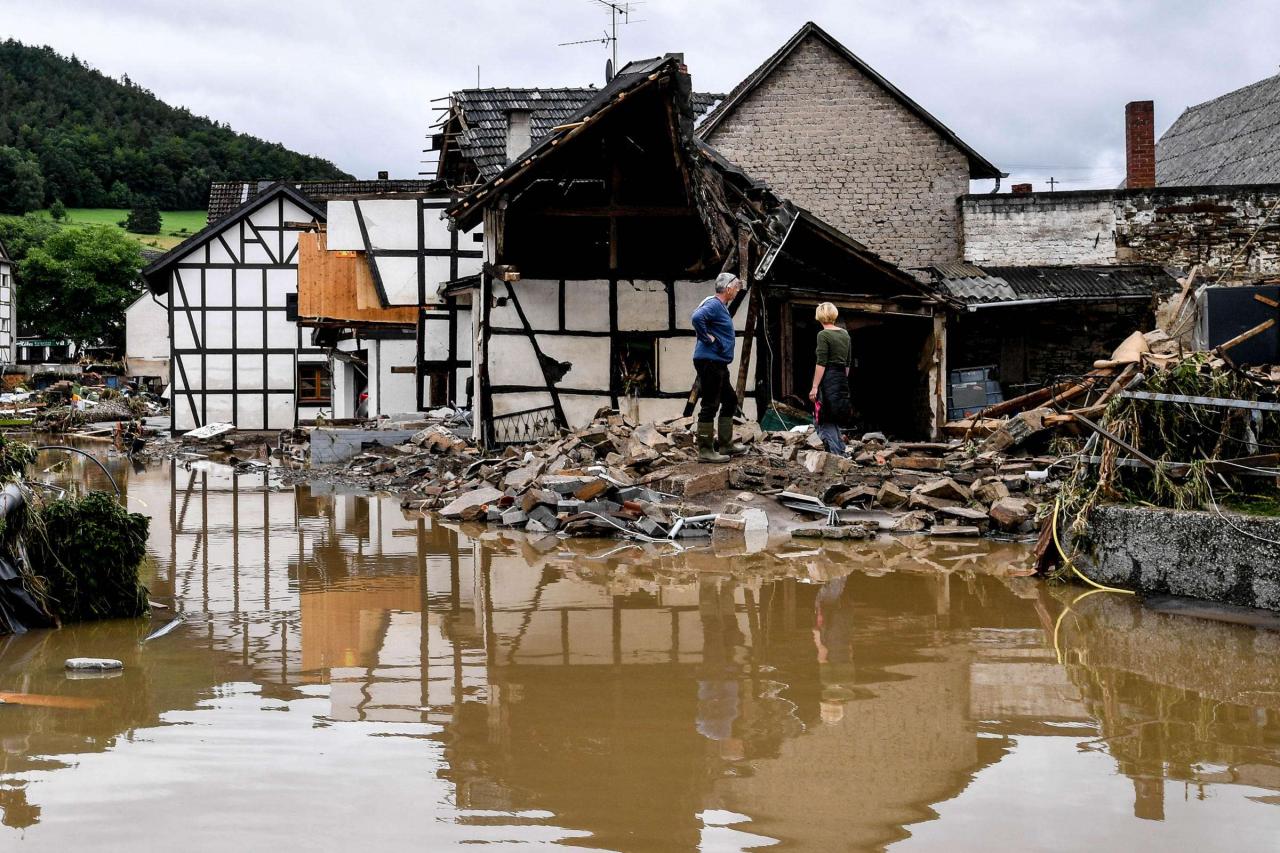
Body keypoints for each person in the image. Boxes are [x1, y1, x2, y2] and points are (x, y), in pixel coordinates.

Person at [691, 272, 748, 462]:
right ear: (728, 287)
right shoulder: (714, 304)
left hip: (718, 362)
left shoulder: (720, 306)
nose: (737, 290)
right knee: (710, 403)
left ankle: (725, 444)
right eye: (736, 287)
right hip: (710, 361)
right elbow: (697, 317)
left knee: (730, 400)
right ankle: (705, 451)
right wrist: (707, 338)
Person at [808, 302, 851, 454]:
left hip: (827, 378)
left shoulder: (823, 335)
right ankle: (841, 450)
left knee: (823, 418)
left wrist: (814, 387)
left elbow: (821, 363)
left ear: (819, 317)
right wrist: (842, 381)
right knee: (833, 415)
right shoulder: (845, 334)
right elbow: (847, 363)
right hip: (841, 378)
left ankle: (835, 454)